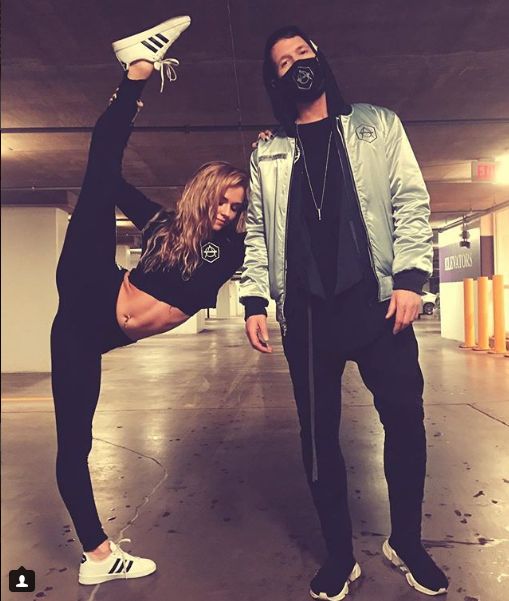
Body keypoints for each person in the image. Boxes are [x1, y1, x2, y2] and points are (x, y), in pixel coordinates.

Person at [240, 26, 448, 600]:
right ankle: (338, 555)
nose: (296, 64)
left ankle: (405, 541)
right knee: (317, 438)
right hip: (307, 318)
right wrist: (256, 299)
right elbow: (257, 232)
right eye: (283, 62)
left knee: (405, 421)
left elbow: (410, 198)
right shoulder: (269, 151)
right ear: (275, 80)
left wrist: (410, 278)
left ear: (321, 58)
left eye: (303, 52)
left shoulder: (377, 125)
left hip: (380, 306)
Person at [51, 16, 248, 585]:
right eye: (225, 202)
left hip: (87, 333)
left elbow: (264, 239)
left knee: (78, 443)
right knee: (101, 172)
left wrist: (268, 163)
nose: (229, 213)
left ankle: (95, 561)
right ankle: (137, 71)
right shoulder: (163, 225)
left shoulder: (232, 252)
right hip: (92, 284)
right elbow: (110, 180)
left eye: (238, 207)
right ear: (207, 192)